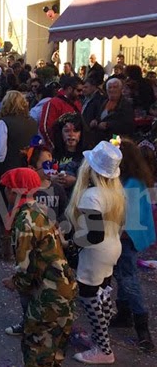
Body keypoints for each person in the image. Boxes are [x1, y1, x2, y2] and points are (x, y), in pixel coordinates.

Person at [0, 168, 77, 367]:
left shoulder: (24, 220)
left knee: (36, 352)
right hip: (65, 291)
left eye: (7, 188)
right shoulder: (41, 211)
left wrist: (14, 282)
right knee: (55, 356)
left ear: (14, 192)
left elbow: (26, 270)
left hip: (48, 297)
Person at [65, 140, 125, 364]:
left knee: (89, 296)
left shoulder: (91, 195)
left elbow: (93, 235)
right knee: (103, 292)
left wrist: (70, 243)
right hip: (112, 248)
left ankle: (104, 349)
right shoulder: (115, 192)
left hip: (96, 253)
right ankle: (101, 337)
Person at [110, 138, 156, 352]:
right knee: (122, 273)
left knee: (128, 279)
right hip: (131, 237)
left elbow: (129, 219)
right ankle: (124, 314)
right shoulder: (135, 180)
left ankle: (142, 329)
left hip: (127, 238)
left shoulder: (130, 185)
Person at [0, 91, 38, 260]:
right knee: (23, 210)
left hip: (8, 172)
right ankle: (22, 247)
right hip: (26, 172)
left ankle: (6, 250)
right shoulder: (32, 122)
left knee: (4, 211)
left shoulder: (4, 123)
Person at [39, 76, 83, 149]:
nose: (81, 93)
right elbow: (45, 127)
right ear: (69, 89)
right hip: (58, 148)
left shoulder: (78, 103)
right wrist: (54, 146)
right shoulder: (53, 103)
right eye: (78, 90)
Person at [89, 78, 134, 143]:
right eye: (110, 87)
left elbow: (128, 125)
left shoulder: (126, 104)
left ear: (120, 89)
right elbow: (99, 117)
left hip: (116, 139)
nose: (112, 90)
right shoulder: (103, 102)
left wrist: (108, 125)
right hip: (101, 139)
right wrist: (95, 121)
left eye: (115, 87)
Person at [52, 113, 85, 193]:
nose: (71, 134)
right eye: (67, 131)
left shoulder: (87, 156)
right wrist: (52, 178)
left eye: (75, 131)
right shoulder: (52, 153)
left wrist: (76, 180)